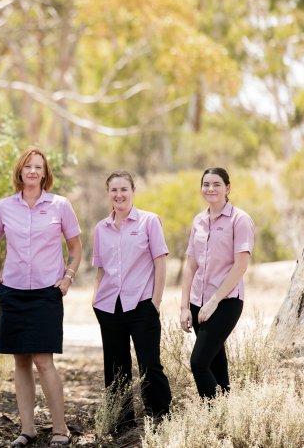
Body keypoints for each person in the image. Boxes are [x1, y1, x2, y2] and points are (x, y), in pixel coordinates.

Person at [0, 147, 81, 448]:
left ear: (45, 173)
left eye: (39, 167)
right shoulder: (4, 207)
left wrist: (68, 278)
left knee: (43, 360)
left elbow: (76, 248)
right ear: (20, 171)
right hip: (12, 293)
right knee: (21, 360)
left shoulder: (60, 206)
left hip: (46, 293)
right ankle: (27, 430)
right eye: (28, 166)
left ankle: (60, 430)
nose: (33, 171)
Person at [91, 170, 171, 430]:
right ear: (107, 194)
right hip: (108, 306)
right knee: (115, 368)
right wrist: (95, 299)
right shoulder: (100, 229)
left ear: (133, 191)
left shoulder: (149, 222)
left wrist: (155, 303)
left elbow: (160, 262)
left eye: (124, 189)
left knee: (150, 365)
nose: (119, 194)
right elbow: (100, 268)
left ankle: (160, 420)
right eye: (114, 190)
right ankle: (122, 423)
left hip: (141, 304)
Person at [180, 167, 254, 399]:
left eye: (216, 184)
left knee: (199, 363)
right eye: (206, 184)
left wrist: (214, 301)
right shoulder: (198, 221)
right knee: (215, 366)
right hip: (197, 303)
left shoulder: (239, 220)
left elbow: (240, 266)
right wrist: (184, 307)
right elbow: (190, 265)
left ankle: (215, 418)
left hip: (226, 302)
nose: (210, 188)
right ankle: (225, 420)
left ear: (228, 188)